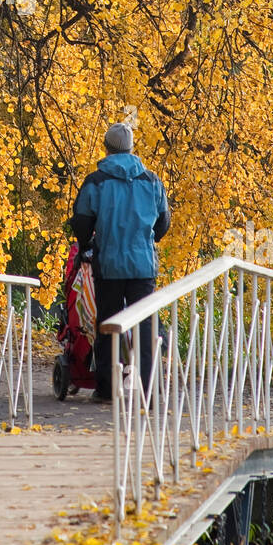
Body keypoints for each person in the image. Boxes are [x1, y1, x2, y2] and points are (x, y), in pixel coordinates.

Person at [70, 121, 170, 401]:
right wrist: (147, 240)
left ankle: (107, 390)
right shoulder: (152, 181)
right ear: (131, 148)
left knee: (108, 325)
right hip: (142, 266)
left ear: (106, 148)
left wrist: (87, 240)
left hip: (109, 264)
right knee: (146, 328)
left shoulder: (96, 181)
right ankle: (151, 390)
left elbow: (81, 221)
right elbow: (163, 223)